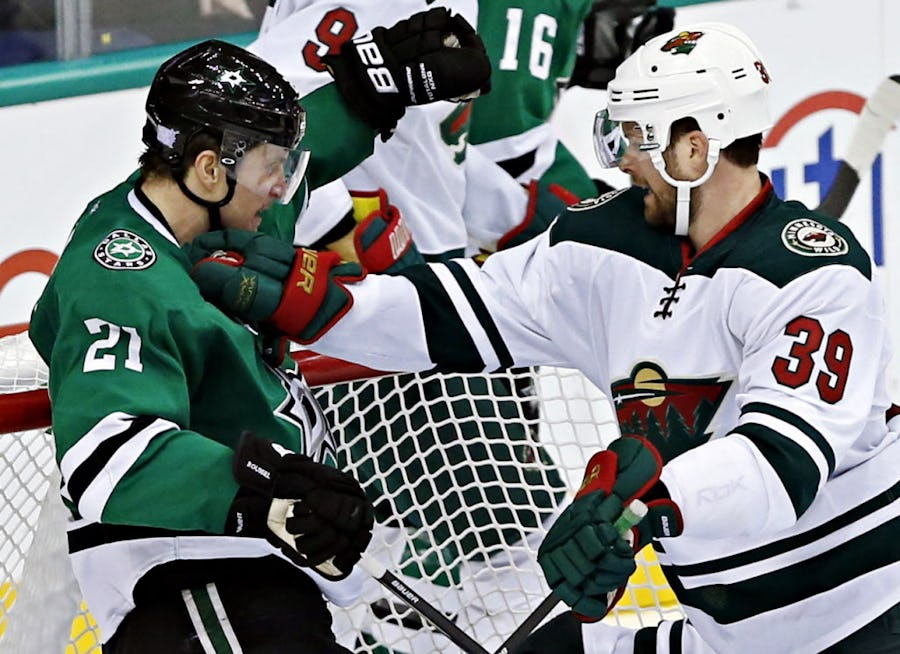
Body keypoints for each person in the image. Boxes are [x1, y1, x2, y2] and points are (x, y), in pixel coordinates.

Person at [186, 22, 900, 653]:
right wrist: (323, 303)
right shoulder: (603, 243)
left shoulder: (813, 273)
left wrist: (645, 503)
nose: (622, 160)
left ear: (695, 149)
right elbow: (464, 311)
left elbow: (780, 467)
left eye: (638, 139)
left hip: (870, 613)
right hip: (728, 634)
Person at [28, 25, 491, 652]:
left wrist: (373, 90)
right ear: (208, 167)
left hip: (257, 561)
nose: (283, 187)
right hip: (188, 577)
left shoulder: (219, 202)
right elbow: (103, 455)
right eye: (271, 167)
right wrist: (267, 492)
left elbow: (307, 162)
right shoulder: (118, 275)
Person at [250, 2, 572, 650]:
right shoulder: (369, 4)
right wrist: (353, 243)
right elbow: (253, 127)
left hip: (428, 315)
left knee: (448, 552)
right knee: (514, 551)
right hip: (387, 336)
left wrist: (551, 218)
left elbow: (438, 156)